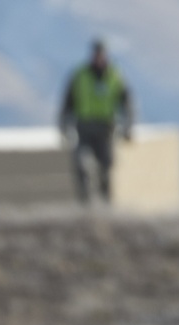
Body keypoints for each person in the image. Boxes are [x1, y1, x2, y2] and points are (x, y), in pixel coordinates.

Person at [59, 38, 134, 203]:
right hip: (84, 128)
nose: (99, 57)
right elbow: (67, 102)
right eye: (96, 54)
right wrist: (63, 126)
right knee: (81, 164)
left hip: (106, 129)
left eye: (102, 54)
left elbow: (127, 103)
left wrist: (128, 126)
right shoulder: (80, 75)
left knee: (105, 170)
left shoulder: (115, 76)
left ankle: (106, 207)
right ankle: (85, 206)